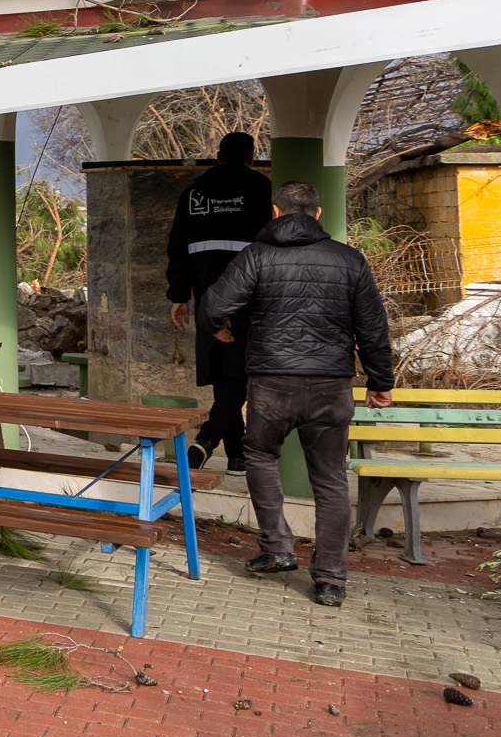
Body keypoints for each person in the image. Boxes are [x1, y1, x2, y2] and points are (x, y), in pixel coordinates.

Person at [203, 180, 394, 607]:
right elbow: (373, 328)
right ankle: (330, 581)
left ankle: (277, 547)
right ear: (318, 214)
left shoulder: (257, 255)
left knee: (259, 455)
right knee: (329, 479)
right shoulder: (349, 260)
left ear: (275, 212)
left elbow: (215, 306)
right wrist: (380, 382)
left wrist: (220, 328)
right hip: (332, 384)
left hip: (273, 381)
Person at [165, 132, 271, 473]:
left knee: (225, 376)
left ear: (218, 156)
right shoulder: (261, 189)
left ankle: (232, 452)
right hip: (252, 297)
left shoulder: (193, 193)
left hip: (207, 297)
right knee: (238, 373)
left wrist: (180, 296)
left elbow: (177, 248)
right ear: (251, 157)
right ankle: (215, 442)